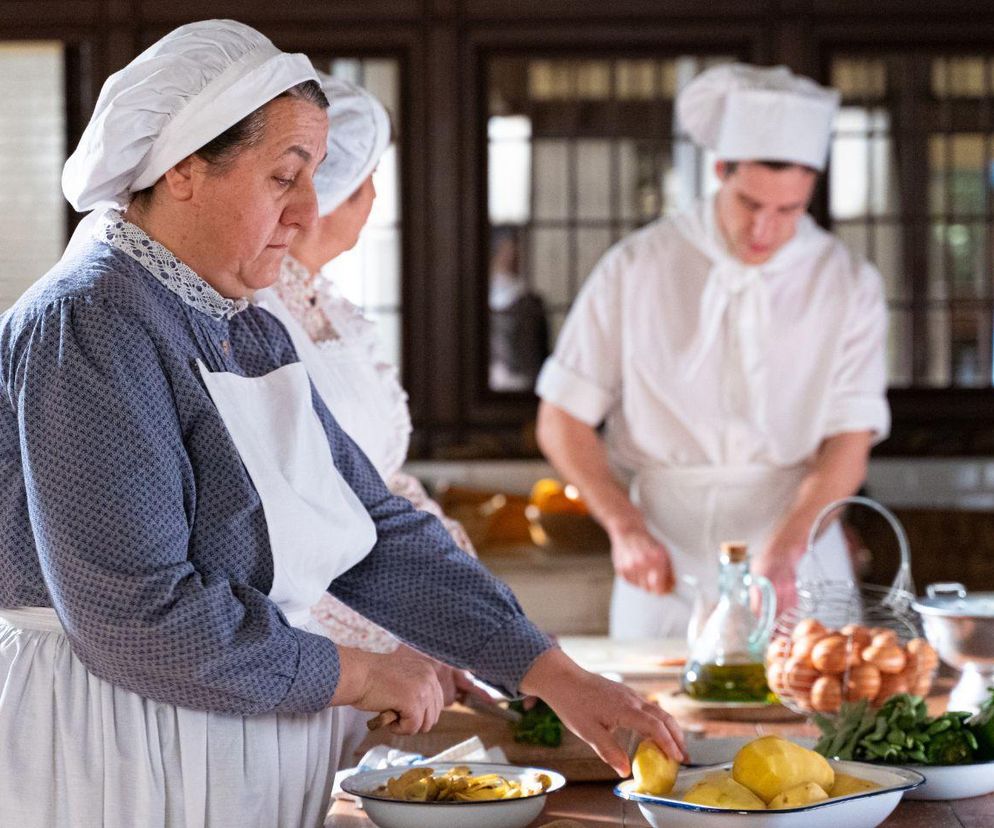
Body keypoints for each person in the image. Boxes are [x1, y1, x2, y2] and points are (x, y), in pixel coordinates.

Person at [0, 20, 684, 828]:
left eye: (317, 176)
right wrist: (357, 674)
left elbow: (374, 528)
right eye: (284, 176)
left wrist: (550, 673)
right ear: (184, 170)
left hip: (228, 737)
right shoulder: (93, 320)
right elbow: (137, 618)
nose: (308, 211)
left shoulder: (241, 320)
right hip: (114, 747)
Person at [535, 64, 890, 640]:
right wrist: (623, 526)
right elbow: (561, 418)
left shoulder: (849, 283)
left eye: (788, 210)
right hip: (664, 562)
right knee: (654, 725)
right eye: (751, 203)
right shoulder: (637, 265)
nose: (764, 230)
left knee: (814, 722)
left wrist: (789, 546)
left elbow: (850, 439)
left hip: (797, 557)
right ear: (721, 170)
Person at [254, 73, 479, 725]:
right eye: (371, 176)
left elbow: (384, 483)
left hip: (392, 637)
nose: (378, 194)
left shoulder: (337, 314)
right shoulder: (256, 313)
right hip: (321, 654)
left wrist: (461, 606)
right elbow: (294, 518)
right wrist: (399, 639)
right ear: (339, 194)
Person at [488, 225, 549, 391]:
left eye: (514, 250)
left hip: (523, 383)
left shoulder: (530, 301)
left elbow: (539, 351)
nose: (510, 256)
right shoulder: (478, 297)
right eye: (503, 249)